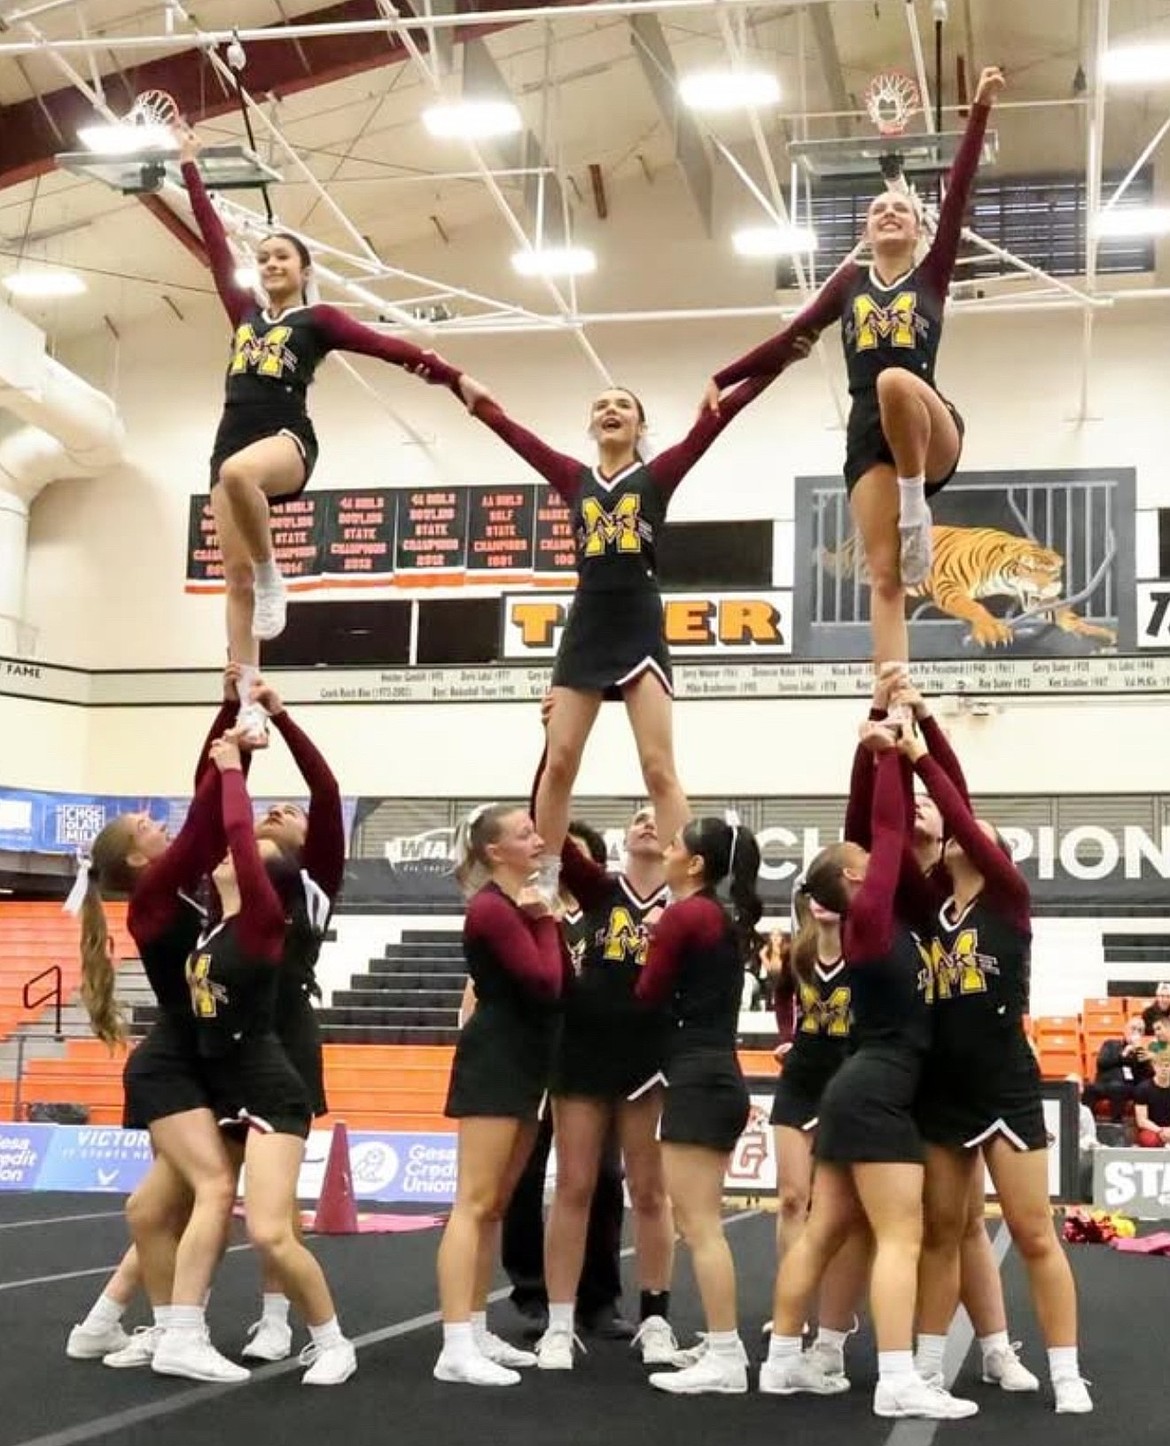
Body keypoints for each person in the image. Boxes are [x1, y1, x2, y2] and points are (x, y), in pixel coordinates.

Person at [451, 344, 808, 895]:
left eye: (623, 404)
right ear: (592, 425)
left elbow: (715, 422)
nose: (611, 410)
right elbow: (518, 437)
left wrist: (773, 367)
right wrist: (470, 396)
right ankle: (545, 879)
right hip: (589, 624)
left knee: (658, 767)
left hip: (640, 624)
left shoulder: (657, 475)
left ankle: (688, 883)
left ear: (640, 424)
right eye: (601, 405)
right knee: (561, 760)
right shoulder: (574, 478)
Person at [701, 68, 1005, 670]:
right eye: (878, 209)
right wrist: (723, 377)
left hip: (929, 422)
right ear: (866, 230)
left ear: (919, 230)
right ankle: (889, 690)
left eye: (901, 209)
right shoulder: (847, 285)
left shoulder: (933, 277)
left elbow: (960, 189)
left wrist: (978, 110)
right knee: (884, 576)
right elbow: (792, 339)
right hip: (868, 435)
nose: (890, 213)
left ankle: (917, 506)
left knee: (894, 379)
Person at [174, 124, 462, 727]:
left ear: (304, 269)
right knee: (234, 583)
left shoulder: (319, 319)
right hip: (230, 435)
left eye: (282, 256)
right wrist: (190, 167)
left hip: (285, 436)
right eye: (264, 258)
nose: (270, 263)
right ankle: (249, 702)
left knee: (238, 480)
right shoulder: (243, 313)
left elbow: (386, 346)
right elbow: (213, 243)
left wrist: (453, 377)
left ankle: (274, 571)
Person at [764, 734, 976, 1420]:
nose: (867, 854)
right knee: (899, 1236)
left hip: (856, 1084)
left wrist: (874, 746)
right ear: (857, 880)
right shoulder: (876, 918)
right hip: (879, 1088)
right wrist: (888, 754)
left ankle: (780, 1364)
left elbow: (872, 831)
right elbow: (882, 827)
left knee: (824, 1232)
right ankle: (896, 1379)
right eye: (859, 861)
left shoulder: (879, 920)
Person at [903, 721, 1091, 1414]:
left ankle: (1067, 1370)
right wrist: (914, 734)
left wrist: (925, 752)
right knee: (944, 1230)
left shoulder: (1007, 899)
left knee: (1034, 1230)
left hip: (1005, 1080)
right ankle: (925, 1366)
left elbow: (957, 809)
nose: (959, 832)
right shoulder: (932, 910)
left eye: (971, 832)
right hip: (943, 1088)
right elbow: (916, 827)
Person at [68, 690, 247, 1381]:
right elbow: (207, 813)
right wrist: (230, 755)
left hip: (188, 1056)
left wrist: (232, 716)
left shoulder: (167, 890)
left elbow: (206, 804)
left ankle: (104, 1324)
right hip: (172, 1061)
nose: (157, 821)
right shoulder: (153, 895)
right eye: (146, 823)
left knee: (155, 1204)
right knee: (210, 1188)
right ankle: (179, 1332)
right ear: (138, 860)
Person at [185, 730, 354, 1386]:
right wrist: (232, 732)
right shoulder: (225, 885)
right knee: (205, 1191)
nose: (278, 810)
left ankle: (279, 1313)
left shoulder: (310, 887)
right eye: (266, 810)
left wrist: (281, 721)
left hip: (284, 1042)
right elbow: (211, 795)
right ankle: (178, 1319)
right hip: (227, 1049)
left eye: (293, 813)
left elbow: (327, 791)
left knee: (272, 1205)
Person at [434, 804, 571, 1387]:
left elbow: (563, 980)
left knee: (495, 1205)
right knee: (474, 1201)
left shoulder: (521, 904)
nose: (537, 839)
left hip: (528, 1063)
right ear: (495, 852)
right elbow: (542, 982)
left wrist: (546, 920)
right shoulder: (492, 910)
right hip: (495, 1060)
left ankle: (477, 1323)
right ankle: (454, 1342)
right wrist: (544, 920)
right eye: (524, 834)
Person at [537, 803, 675, 1371]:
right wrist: (558, 742)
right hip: (583, 1053)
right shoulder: (599, 890)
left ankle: (656, 1318)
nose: (647, 821)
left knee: (648, 1190)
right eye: (637, 817)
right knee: (573, 1186)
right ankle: (559, 1324)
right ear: (621, 838)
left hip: (649, 1059)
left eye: (656, 816)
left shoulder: (690, 905)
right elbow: (549, 828)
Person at [633, 818, 761, 1394]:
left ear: (697, 865)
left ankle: (728, 1357)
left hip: (698, 1076)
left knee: (701, 1226)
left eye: (675, 845)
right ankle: (719, 1341)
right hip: (714, 1073)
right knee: (699, 1223)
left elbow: (648, 993)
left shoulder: (686, 915)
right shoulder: (718, 917)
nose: (665, 849)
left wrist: (651, 936)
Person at [493, 821, 629, 1340]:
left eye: (584, 856)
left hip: (595, 1063)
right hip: (536, 1060)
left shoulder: (606, 912)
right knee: (525, 1178)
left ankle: (599, 1297)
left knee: (604, 1180)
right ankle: (533, 1292)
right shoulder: (532, 906)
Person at [768, 882, 869, 1383]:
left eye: (836, 891)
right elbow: (783, 997)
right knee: (791, 1199)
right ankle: (794, 1305)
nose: (824, 901)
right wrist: (787, 1037)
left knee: (838, 1211)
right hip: (801, 1078)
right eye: (816, 891)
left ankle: (833, 1314)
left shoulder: (864, 954)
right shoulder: (797, 952)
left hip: (849, 1076)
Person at [1083, 1016, 1152, 1123]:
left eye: (1140, 1030)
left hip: (1127, 1087)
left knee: (1118, 1088)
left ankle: (1116, 1124)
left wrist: (1142, 1058)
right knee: (1089, 1088)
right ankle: (1086, 1122)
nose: (1136, 1032)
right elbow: (1102, 1062)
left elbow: (1146, 1076)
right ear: (1125, 1030)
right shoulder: (1111, 1044)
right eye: (1133, 1028)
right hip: (1104, 1083)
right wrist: (1124, 1053)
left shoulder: (1141, 1052)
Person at [1134, 1053, 1170, 1147]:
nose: (1164, 1069)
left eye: (1167, 1066)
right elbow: (1141, 1120)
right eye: (1160, 1065)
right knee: (1149, 1140)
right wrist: (1160, 1130)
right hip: (1152, 1129)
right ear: (1154, 1067)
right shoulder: (1142, 1089)